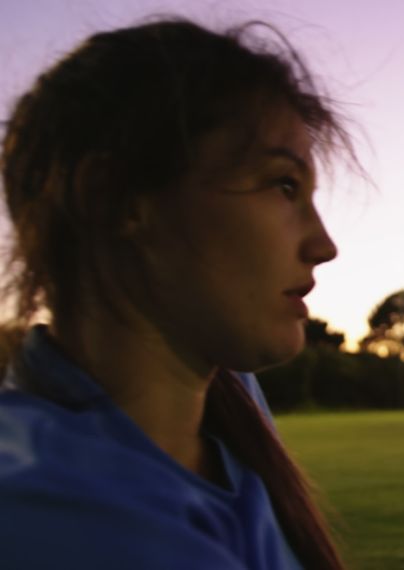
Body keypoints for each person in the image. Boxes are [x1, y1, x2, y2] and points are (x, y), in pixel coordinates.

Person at [0, 19, 352, 568]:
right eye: (282, 185)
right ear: (113, 198)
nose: (323, 245)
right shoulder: (40, 504)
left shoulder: (225, 398)